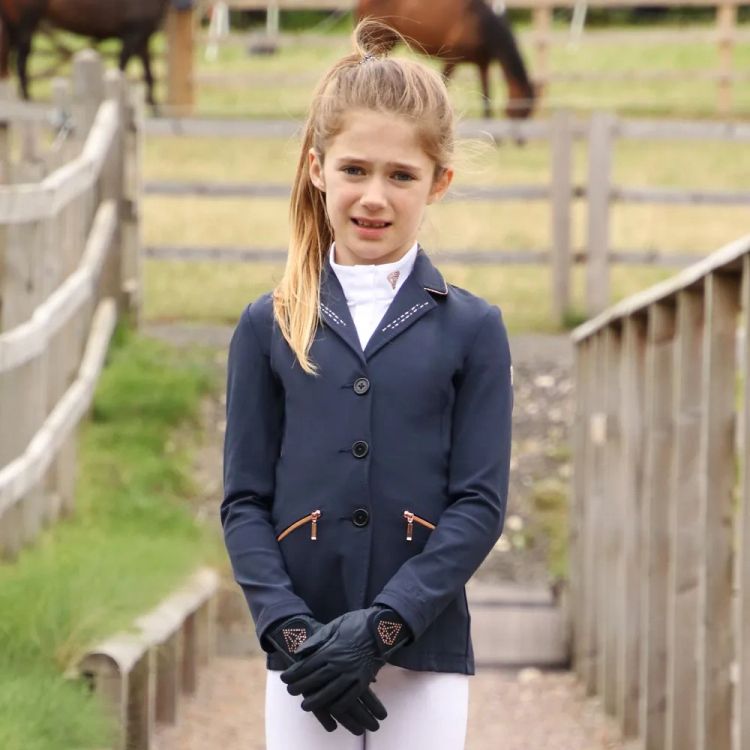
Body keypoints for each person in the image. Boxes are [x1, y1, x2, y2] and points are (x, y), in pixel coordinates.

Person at [221, 19, 513, 750]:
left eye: (401, 176)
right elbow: (244, 502)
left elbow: (478, 504)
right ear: (318, 168)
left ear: (438, 182)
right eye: (354, 170)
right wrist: (292, 632)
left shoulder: (474, 329)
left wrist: (385, 626)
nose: (374, 196)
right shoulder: (267, 324)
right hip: (305, 660)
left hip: (423, 653)